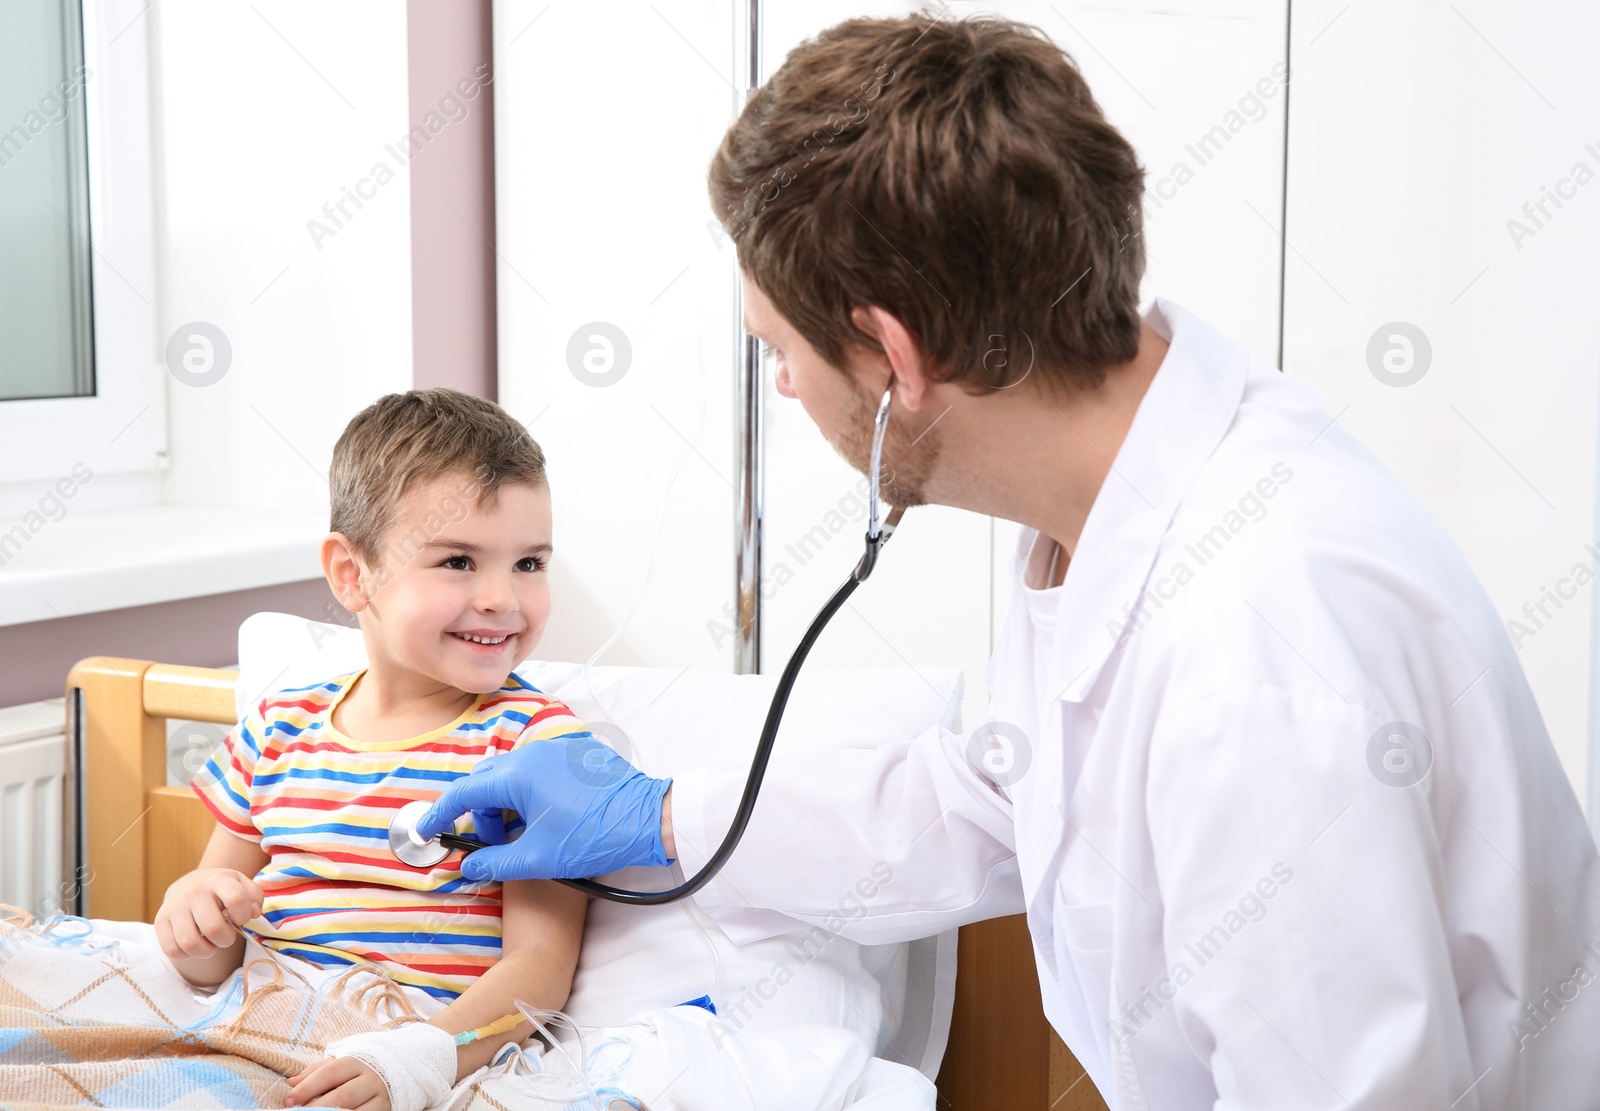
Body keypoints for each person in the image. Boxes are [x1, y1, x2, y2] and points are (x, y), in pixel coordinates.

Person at [421, 15, 1600, 1110]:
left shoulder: (1252, 642)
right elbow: (999, 802)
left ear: (890, 356)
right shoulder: (1126, 493)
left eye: (780, 349)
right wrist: (663, 818)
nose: (782, 386)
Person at [164, 389, 615, 1111]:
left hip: (419, 1047)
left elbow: (540, 968)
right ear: (352, 574)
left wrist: (417, 1059)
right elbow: (215, 943)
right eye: (459, 560)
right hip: (259, 1031)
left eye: (530, 562)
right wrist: (194, 911)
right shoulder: (277, 729)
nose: (503, 596)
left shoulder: (532, 746)